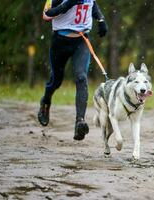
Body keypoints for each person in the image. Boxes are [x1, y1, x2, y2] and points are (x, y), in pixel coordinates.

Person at [38, 0, 107, 140]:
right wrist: (68, 4)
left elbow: (93, 4)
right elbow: (46, 15)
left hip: (81, 41)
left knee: (81, 77)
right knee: (56, 81)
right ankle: (45, 101)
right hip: (60, 42)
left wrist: (100, 19)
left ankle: (79, 122)